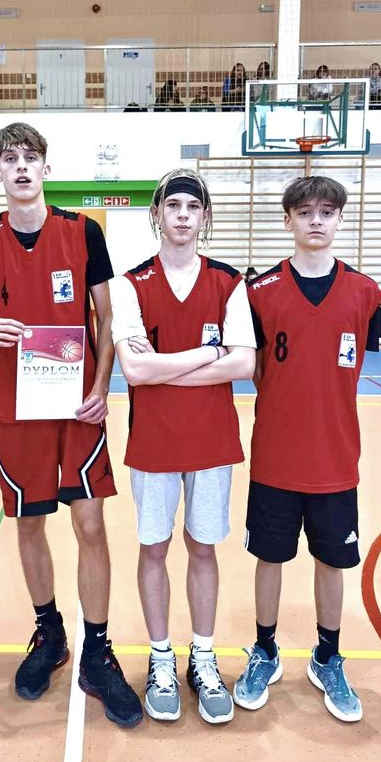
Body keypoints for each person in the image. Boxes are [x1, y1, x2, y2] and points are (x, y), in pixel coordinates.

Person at [0, 122, 142, 728]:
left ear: (45, 168)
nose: (21, 167)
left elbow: (107, 316)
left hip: (76, 404)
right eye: (9, 158)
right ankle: (50, 634)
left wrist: (100, 389)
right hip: (16, 406)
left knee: (90, 523)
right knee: (30, 522)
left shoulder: (83, 232)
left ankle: (98, 649)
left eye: (30, 157)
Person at [234, 175, 381, 723]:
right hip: (276, 455)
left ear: (340, 218)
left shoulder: (364, 292)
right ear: (288, 220)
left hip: (336, 457)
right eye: (304, 212)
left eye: (326, 211)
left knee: (332, 560)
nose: (316, 221)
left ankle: (326, 656)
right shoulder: (260, 292)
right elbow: (253, 368)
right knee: (269, 557)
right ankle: (265, 650)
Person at [110, 168, 255, 724]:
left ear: (205, 217)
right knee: (153, 548)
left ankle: (203, 655)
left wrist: (165, 367)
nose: (183, 215)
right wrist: (210, 352)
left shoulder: (228, 282)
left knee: (203, 549)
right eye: (173, 205)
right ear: (157, 214)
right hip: (153, 442)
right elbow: (134, 371)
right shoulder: (131, 284)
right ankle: (161, 658)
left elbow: (244, 364)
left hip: (212, 441)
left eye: (193, 207)